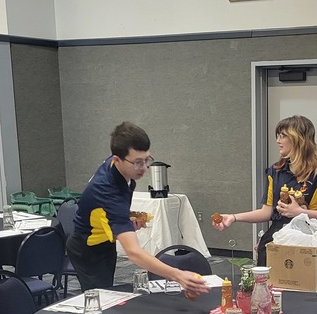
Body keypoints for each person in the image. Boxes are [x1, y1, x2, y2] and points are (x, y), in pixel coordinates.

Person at [67, 121, 210, 296]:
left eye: (146, 160)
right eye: (137, 162)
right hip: (87, 249)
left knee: (108, 291)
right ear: (117, 160)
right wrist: (178, 275)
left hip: (105, 242)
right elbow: (133, 253)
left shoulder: (120, 169)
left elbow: (107, 213)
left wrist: (127, 222)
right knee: (99, 299)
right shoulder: (107, 190)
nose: (144, 168)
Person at [213, 114, 317, 265]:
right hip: (275, 238)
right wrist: (234, 218)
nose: (278, 141)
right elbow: (266, 212)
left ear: (297, 139)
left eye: (282, 136)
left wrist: (300, 213)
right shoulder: (275, 170)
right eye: (277, 135)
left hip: (305, 241)